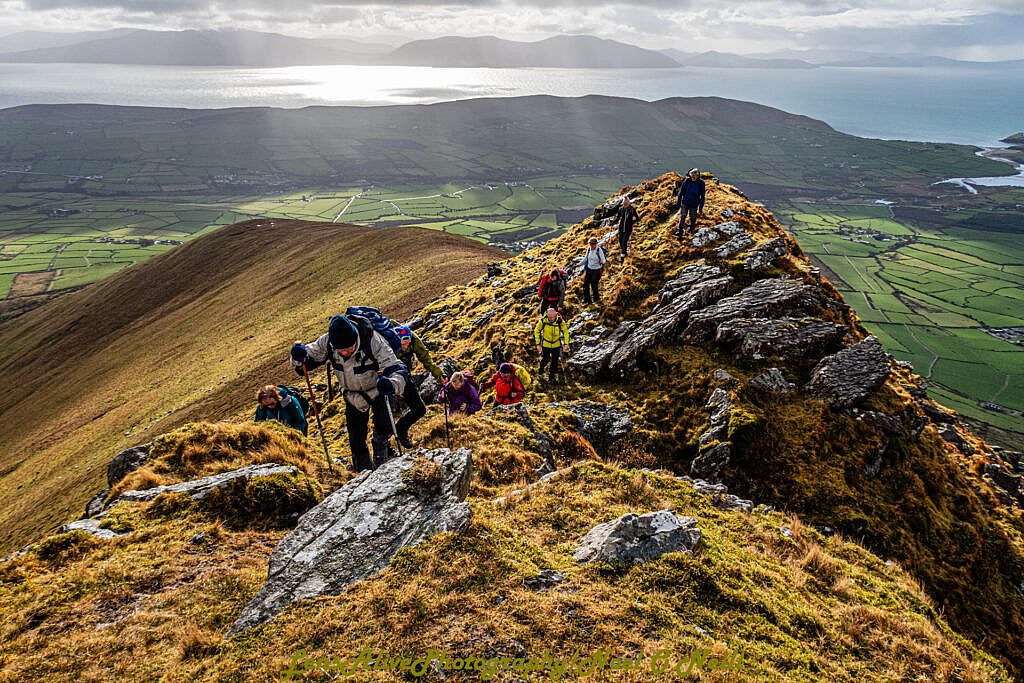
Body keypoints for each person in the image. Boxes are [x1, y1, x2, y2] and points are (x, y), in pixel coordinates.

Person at [290, 313, 409, 472]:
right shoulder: (328, 342)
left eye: (349, 348)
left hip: (378, 390)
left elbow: (396, 367)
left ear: (355, 339)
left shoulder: (373, 340)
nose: (346, 353)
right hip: (351, 396)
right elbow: (307, 356)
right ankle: (364, 474)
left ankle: (383, 461)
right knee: (356, 440)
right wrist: (297, 357)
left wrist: (392, 384)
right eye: (341, 350)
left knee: (383, 428)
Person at [392, 325, 444, 448]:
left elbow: (425, 357)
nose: (405, 348)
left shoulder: (413, 339)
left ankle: (400, 430)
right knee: (384, 416)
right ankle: (385, 448)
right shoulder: (387, 341)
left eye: (407, 344)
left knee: (420, 409)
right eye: (402, 345)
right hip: (386, 379)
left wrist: (438, 374)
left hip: (405, 376)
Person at [534, 307, 570, 384]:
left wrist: (566, 344)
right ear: (546, 314)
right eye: (549, 316)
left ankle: (551, 376)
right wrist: (538, 344)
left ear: (556, 314)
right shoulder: (543, 321)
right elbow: (537, 331)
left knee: (555, 361)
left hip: (556, 344)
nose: (551, 318)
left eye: (552, 316)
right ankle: (541, 368)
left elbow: (566, 332)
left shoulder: (560, 321)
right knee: (546, 359)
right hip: (545, 344)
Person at [676, 168, 706, 237]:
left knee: (693, 217)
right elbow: (681, 192)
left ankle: (691, 228)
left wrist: (701, 207)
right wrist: (678, 202)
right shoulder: (687, 181)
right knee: (683, 216)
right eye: (692, 176)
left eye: (694, 176)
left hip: (694, 204)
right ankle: (680, 231)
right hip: (685, 202)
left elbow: (702, 196)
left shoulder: (701, 183)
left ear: (698, 176)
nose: (693, 178)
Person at [581, 237, 607, 305]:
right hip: (589, 270)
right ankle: (587, 299)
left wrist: (602, 261)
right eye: (590, 244)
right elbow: (585, 258)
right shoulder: (589, 249)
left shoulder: (599, 250)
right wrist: (579, 264)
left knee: (594, 285)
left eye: (592, 244)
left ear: (595, 244)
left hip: (596, 271)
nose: (591, 246)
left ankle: (596, 299)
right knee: (585, 284)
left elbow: (604, 260)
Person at [618, 195, 639, 261]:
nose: (625, 205)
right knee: (620, 240)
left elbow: (637, 218)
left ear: (628, 203)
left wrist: (634, 219)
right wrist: (613, 221)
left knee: (624, 241)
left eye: (626, 204)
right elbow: (618, 217)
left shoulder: (632, 209)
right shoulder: (621, 209)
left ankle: (623, 255)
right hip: (621, 228)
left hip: (628, 228)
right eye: (624, 204)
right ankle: (624, 252)